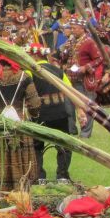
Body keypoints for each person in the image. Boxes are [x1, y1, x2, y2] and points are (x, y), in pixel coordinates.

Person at [0, 53, 41, 190]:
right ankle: (22, 191)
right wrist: (33, 115)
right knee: (20, 159)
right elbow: (35, 103)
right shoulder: (24, 77)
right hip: (19, 126)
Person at [29, 44, 73, 181]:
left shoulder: (30, 71)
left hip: (40, 114)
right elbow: (69, 89)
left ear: (35, 55)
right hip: (60, 114)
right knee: (64, 146)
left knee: (37, 146)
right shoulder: (58, 70)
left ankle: (39, 176)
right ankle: (62, 175)